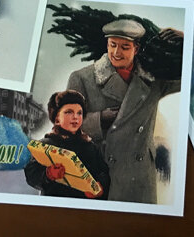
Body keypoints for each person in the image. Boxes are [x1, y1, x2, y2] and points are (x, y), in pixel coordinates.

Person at [66, 19, 181, 203]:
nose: (116, 53)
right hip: (101, 175)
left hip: (141, 178)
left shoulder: (154, 80)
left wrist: (184, 38)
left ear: (137, 48)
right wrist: (100, 119)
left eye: (125, 47)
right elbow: (66, 125)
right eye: (112, 45)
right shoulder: (82, 78)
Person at [24, 90, 110, 199]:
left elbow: (104, 172)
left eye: (79, 113)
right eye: (69, 112)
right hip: (55, 203)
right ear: (57, 118)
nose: (75, 117)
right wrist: (48, 174)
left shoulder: (90, 147)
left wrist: (100, 186)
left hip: (84, 204)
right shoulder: (45, 145)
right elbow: (31, 175)